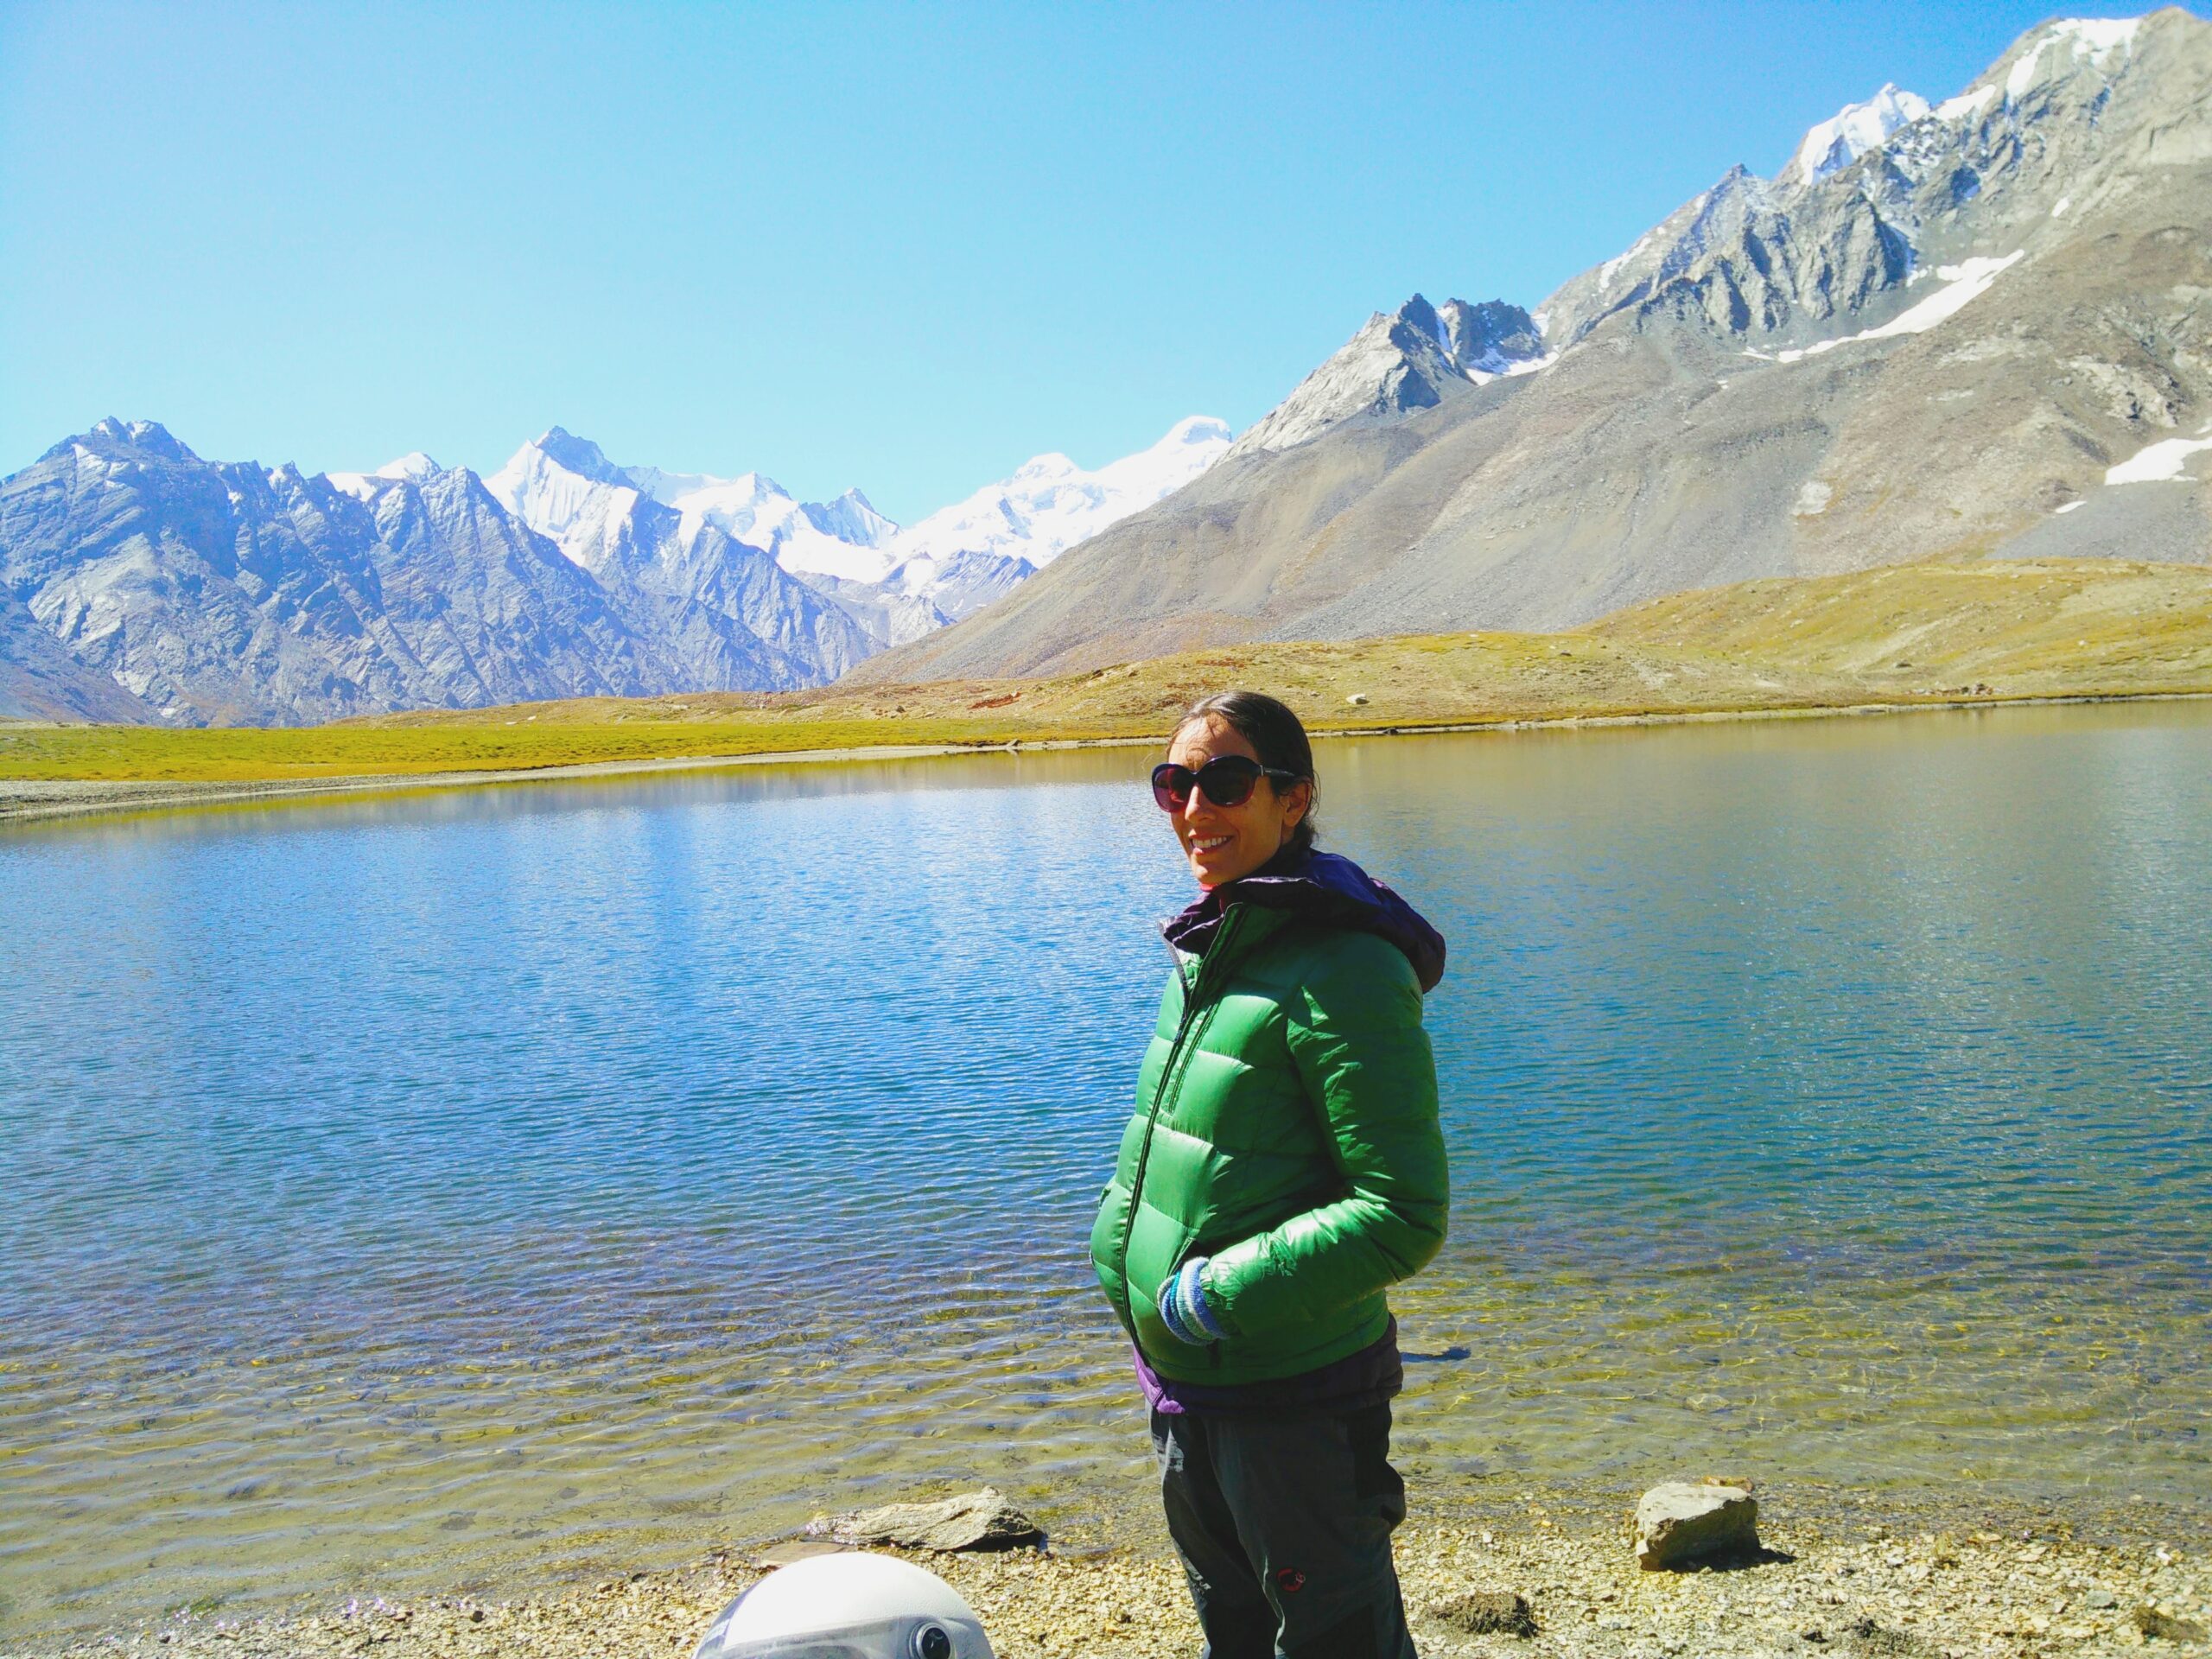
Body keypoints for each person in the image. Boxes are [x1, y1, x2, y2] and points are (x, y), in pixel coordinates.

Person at [1090, 690, 1450, 1659]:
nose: (1195, 808)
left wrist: (1211, 1295)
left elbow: (1401, 1212)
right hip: (1190, 1388)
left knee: (1334, 1640)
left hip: (1289, 1396)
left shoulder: (1344, 967)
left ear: (1293, 801)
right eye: (1174, 784)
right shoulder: (1217, 943)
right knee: (1236, 1632)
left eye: (1226, 780)